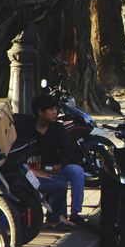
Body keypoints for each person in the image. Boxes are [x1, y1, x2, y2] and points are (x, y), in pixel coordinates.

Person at [16, 96, 86, 230]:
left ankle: (75, 214)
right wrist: (34, 171)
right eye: (51, 110)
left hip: (56, 168)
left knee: (77, 171)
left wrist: (61, 165)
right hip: (33, 170)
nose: (55, 113)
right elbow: (18, 154)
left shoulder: (58, 129)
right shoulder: (25, 129)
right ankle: (59, 216)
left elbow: (68, 151)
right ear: (40, 112)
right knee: (59, 183)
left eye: (55, 109)